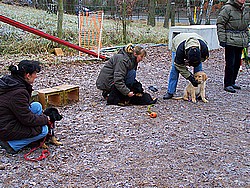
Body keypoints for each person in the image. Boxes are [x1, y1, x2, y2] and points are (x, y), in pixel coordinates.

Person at [0, 60, 49, 154]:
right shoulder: (18, 92)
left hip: (6, 117)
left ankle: (29, 138)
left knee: (37, 106)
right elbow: (27, 119)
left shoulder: (11, 81)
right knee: (43, 130)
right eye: (34, 73)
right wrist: (46, 119)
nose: (36, 76)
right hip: (5, 127)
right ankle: (11, 145)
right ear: (27, 75)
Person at [216, 0, 249, 93]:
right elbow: (220, 24)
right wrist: (222, 39)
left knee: (238, 63)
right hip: (230, 39)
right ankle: (227, 83)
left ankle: (232, 82)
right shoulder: (227, 8)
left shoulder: (246, 8)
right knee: (230, 63)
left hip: (241, 39)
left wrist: (247, 38)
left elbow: (246, 25)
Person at [163, 33, 209, 99]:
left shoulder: (204, 48)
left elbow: (204, 58)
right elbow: (178, 65)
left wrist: (195, 64)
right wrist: (190, 77)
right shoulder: (180, 50)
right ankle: (170, 91)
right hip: (178, 41)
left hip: (197, 38)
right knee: (174, 69)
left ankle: (199, 93)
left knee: (199, 68)